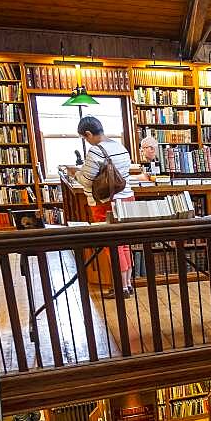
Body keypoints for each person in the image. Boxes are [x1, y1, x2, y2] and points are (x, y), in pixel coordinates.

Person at [74, 116, 135, 298]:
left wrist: (77, 173)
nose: (87, 141)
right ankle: (128, 284)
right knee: (124, 244)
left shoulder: (96, 151)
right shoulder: (120, 147)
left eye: (85, 138)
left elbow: (86, 180)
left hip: (106, 202)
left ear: (89, 133)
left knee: (112, 245)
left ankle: (120, 287)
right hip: (127, 199)